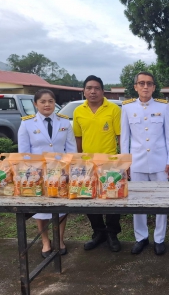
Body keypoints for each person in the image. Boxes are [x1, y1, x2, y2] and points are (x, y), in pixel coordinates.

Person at [18, 89, 77, 258]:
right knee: (41, 209)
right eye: (43, 101)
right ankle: (45, 241)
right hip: (38, 175)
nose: (47, 104)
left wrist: (69, 171)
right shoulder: (27, 123)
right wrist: (31, 174)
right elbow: (24, 153)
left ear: (55, 104)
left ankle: (59, 239)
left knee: (62, 208)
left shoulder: (64, 123)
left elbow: (71, 149)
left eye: (51, 101)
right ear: (36, 104)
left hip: (61, 174)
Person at [120, 71, 169, 256]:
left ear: (153, 87)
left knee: (162, 202)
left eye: (149, 83)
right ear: (135, 86)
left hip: (160, 161)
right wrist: (125, 163)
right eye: (141, 83)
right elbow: (124, 139)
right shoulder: (127, 108)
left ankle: (159, 238)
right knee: (137, 201)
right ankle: (141, 237)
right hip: (137, 162)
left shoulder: (163, 107)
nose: (145, 87)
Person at [73, 75, 122, 252]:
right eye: (89, 88)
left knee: (112, 200)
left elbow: (120, 136)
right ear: (84, 91)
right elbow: (78, 138)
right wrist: (78, 161)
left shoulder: (114, 109)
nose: (93, 91)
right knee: (88, 199)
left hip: (110, 163)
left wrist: (122, 161)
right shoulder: (78, 111)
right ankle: (98, 232)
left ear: (103, 91)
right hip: (86, 164)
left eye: (96, 88)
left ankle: (112, 234)